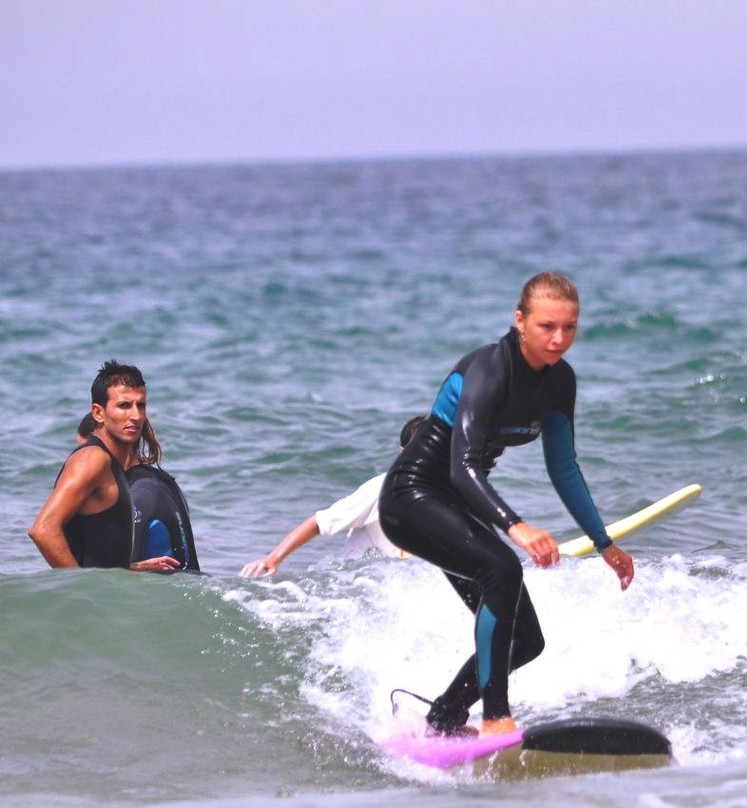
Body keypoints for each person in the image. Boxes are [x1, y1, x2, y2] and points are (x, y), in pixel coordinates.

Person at [379, 271, 634, 738]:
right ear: (520, 321)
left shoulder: (560, 383)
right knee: (503, 569)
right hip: (412, 499)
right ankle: (496, 717)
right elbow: (462, 465)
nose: (559, 339)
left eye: (570, 327)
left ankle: (442, 719)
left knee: (527, 640)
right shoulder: (489, 370)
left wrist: (604, 543)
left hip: (457, 507)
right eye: (547, 326)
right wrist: (516, 526)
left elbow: (564, 468)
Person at [29, 361, 194, 572]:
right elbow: (43, 529)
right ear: (98, 413)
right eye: (124, 406)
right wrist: (83, 590)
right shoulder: (93, 459)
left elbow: (93, 552)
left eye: (140, 405)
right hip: (89, 601)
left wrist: (128, 570)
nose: (135, 415)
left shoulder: (111, 464)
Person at [239, 415, 427, 578]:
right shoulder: (381, 490)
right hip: (357, 584)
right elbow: (319, 523)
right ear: (402, 453)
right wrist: (273, 559)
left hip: (396, 581)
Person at [73, 408, 199, 570]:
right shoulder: (163, 482)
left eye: (86, 452)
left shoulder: (137, 494)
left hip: (158, 592)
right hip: (182, 590)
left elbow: (113, 575)